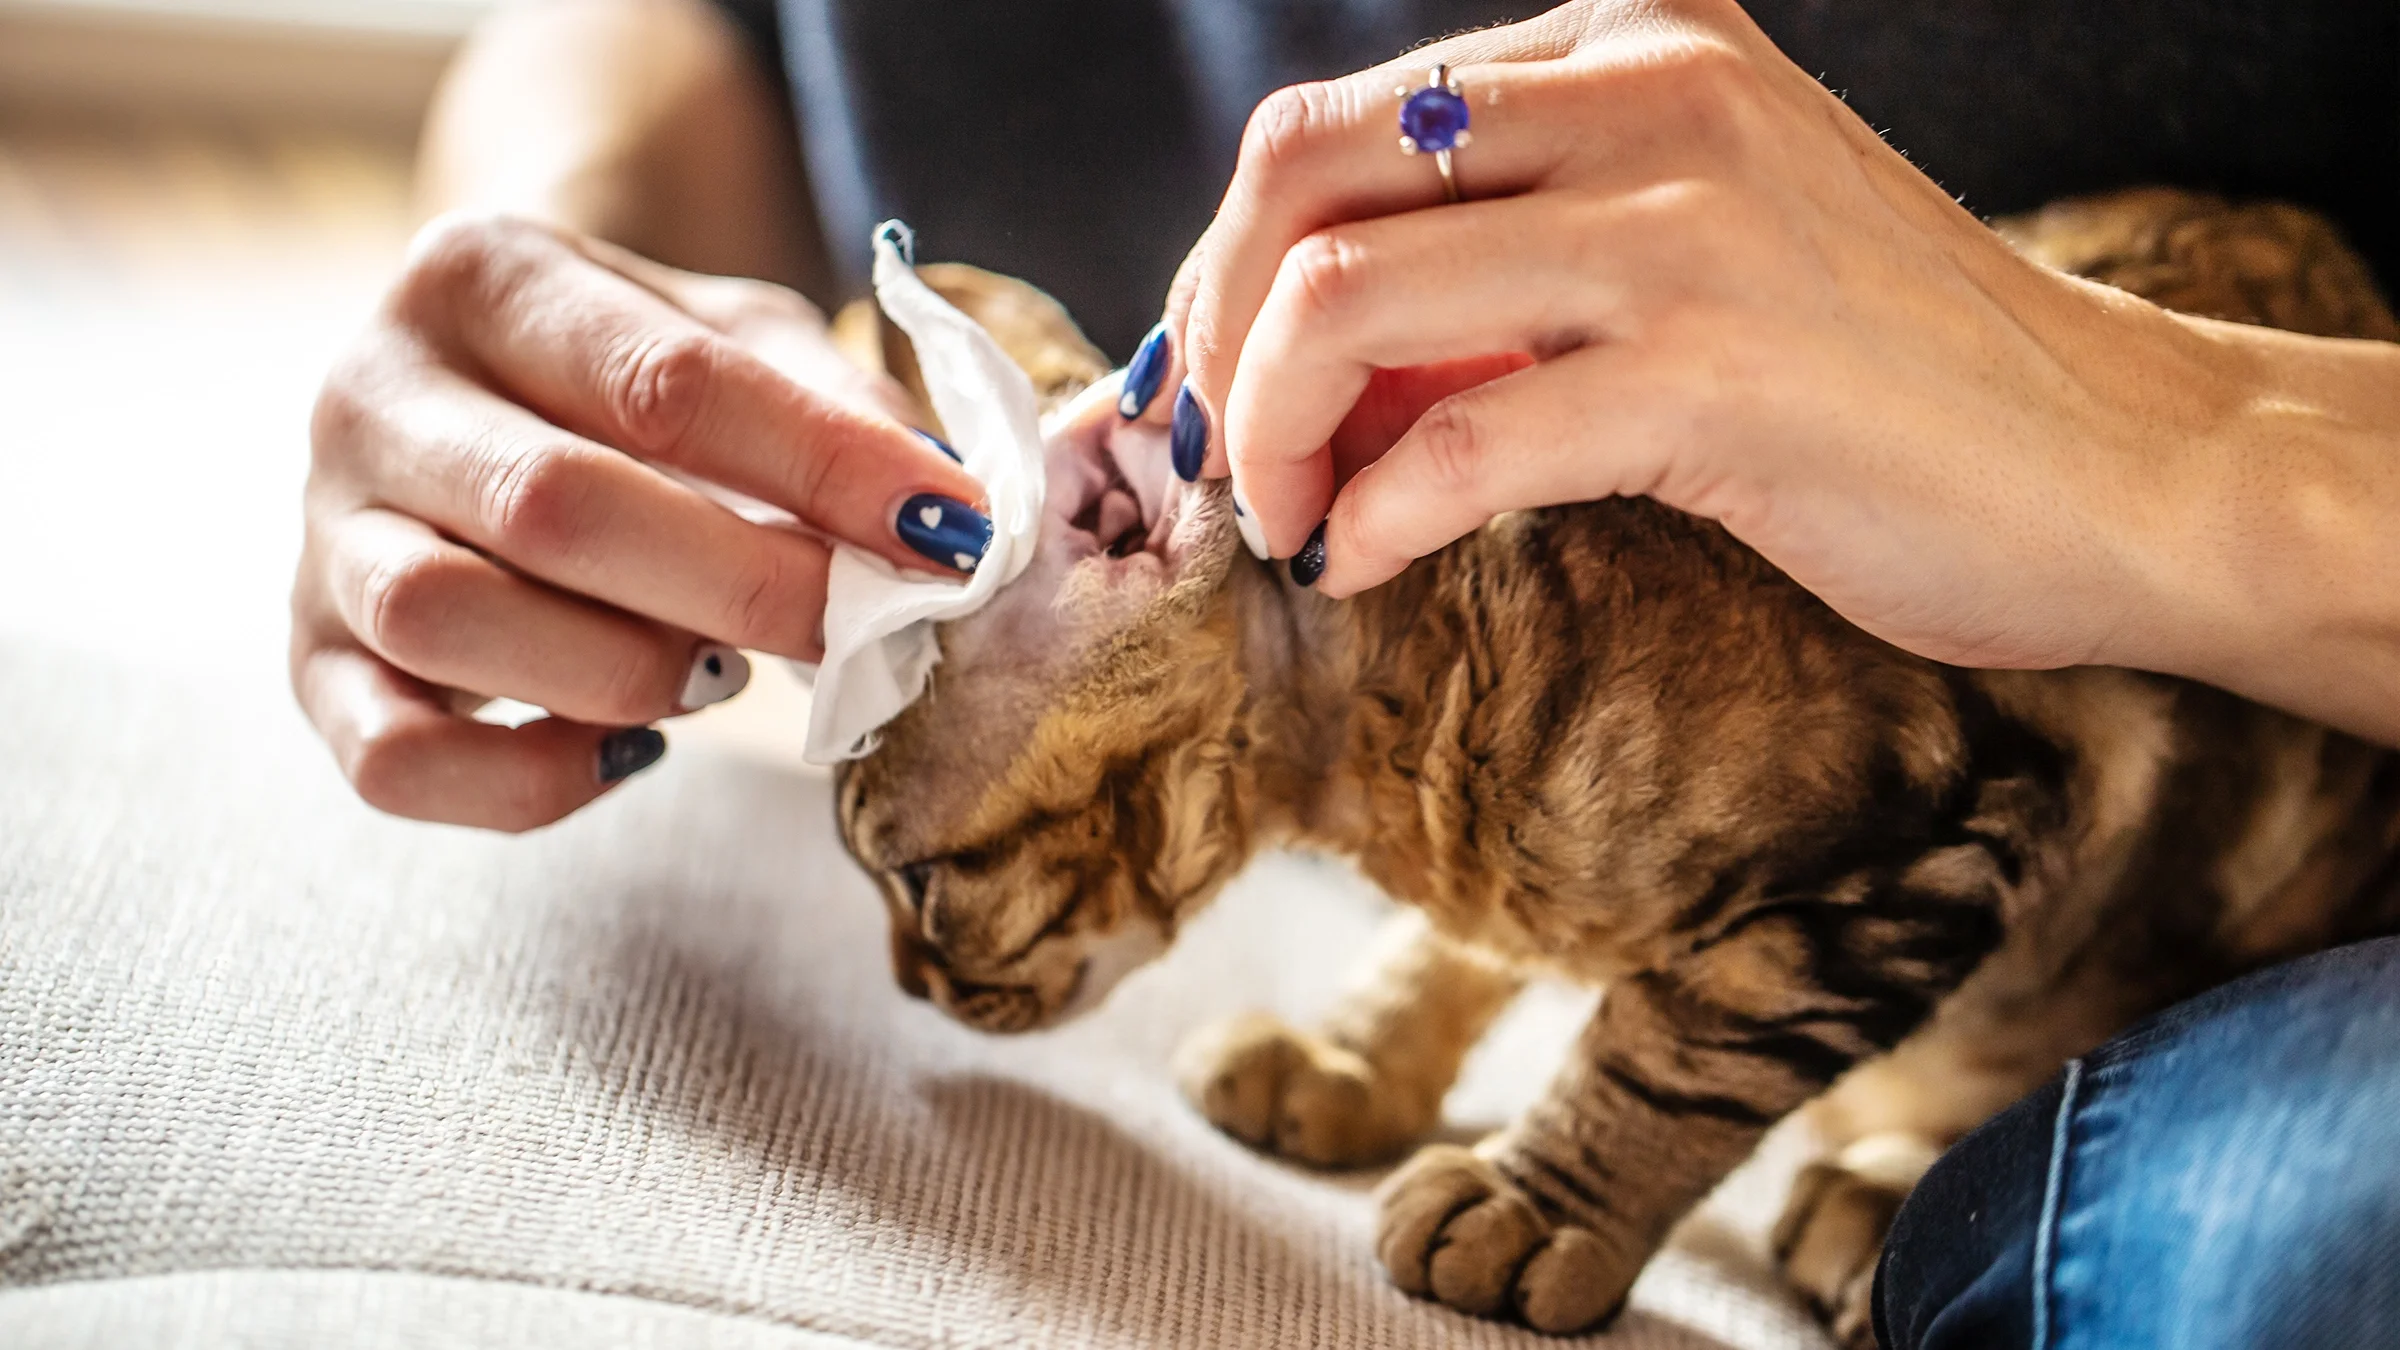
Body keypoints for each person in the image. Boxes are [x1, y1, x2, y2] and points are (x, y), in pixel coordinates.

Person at [292, 0, 2400, 1344]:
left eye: (933, 887)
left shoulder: (1606, 710)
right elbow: (700, 35)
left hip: (2305, 818)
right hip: (1866, 949)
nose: (929, 979)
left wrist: (2159, 446)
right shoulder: (1431, 717)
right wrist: (558, 298)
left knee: (2318, 1254)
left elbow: (1941, 802)